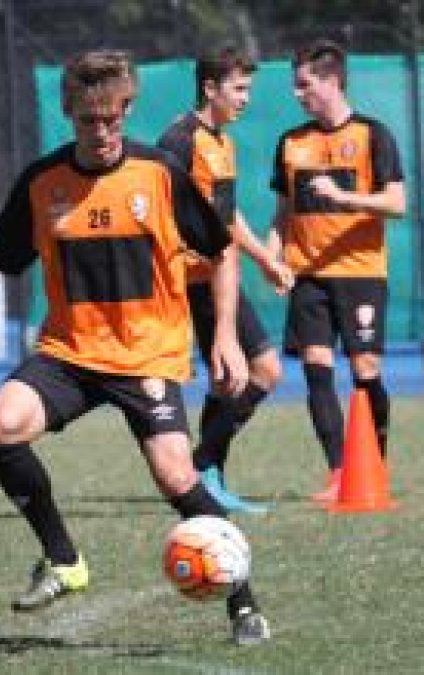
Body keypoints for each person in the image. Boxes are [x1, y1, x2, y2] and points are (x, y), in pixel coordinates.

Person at [0, 49, 271, 645]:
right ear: (69, 114)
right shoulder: (43, 183)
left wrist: (228, 338)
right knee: (2, 423)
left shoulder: (159, 173)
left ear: (127, 109)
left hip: (146, 354)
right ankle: (64, 560)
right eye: (89, 121)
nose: (103, 133)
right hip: (71, 352)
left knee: (174, 474)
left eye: (113, 119)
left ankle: (243, 604)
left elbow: (221, 251)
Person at [266, 39, 406, 501]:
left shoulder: (373, 135)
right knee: (315, 369)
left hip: (361, 272)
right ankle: (338, 474)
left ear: (331, 81)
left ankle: (374, 468)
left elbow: (396, 204)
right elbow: (282, 211)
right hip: (308, 276)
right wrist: (273, 256)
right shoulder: (291, 142)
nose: (298, 93)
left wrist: (345, 198)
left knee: (365, 370)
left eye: (305, 84)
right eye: (296, 85)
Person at [156, 46, 292, 514]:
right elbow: (167, 214)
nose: (246, 99)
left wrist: (264, 260)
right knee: (250, 373)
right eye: (238, 89)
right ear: (210, 88)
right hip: (193, 281)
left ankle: (206, 470)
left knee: (245, 376)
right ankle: (203, 469)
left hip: (221, 276)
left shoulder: (223, 143)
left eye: (248, 90)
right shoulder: (179, 141)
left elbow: (226, 218)